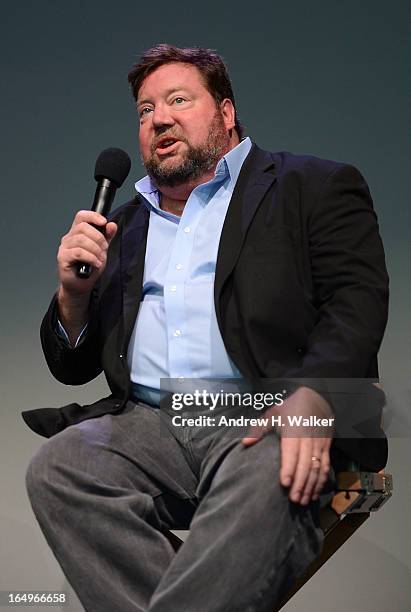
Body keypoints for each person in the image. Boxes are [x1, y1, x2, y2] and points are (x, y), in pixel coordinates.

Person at [24, 44, 389, 612]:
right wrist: (74, 296)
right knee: (59, 468)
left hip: (262, 410)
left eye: (177, 100)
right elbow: (74, 367)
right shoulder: (122, 225)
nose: (158, 118)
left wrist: (315, 397)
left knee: (275, 456)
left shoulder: (311, 187)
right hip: (147, 424)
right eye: (145, 110)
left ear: (225, 112)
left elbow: (357, 303)